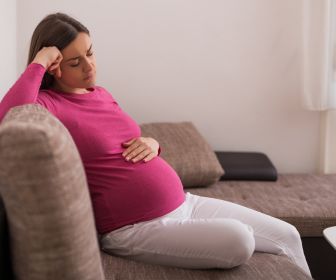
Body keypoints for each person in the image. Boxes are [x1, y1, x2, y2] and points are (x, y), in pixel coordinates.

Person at [0, 12, 311, 276]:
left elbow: (125, 140)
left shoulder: (101, 93)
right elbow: (8, 116)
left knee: (289, 234)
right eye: (75, 62)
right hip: (133, 228)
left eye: (91, 53)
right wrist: (38, 61)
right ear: (54, 65)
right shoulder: (48, 104)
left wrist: (152, 143)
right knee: (241, 240)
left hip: (185, 203)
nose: (89, 67)